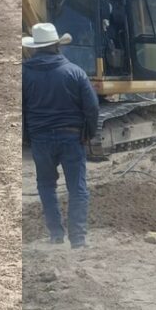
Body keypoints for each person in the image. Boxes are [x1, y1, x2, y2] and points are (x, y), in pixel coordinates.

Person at [21, 22, 100, 248]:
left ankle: (56, 235)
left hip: (40, 139)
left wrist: (27, 136)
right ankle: (78, 239)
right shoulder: (75, 72)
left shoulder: (24, 74)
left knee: (46, 186)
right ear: (57, 46)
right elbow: (92, 108)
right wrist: (89, 133)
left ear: (36, 47)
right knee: (77, 188)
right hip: (72, 137)